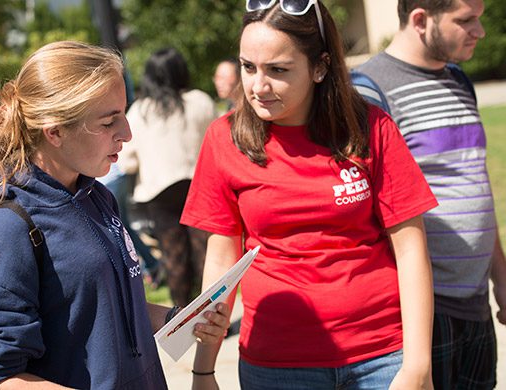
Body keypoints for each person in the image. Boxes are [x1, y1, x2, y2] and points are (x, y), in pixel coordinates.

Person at [181, 1, 438, 388]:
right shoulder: (224, 138)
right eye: (248, 67)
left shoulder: (369, 127)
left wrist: (418, 366)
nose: (257, 86)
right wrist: (204, 369)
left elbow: (411, 249)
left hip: (381, 356)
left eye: (278, 70)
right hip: (276, 364)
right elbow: (222, 260)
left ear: (320, 67)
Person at [0, 40, 230, 390]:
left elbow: (103, 308)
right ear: (54, 131)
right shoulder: (7, 226)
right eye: (109, 121)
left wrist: (178, 319)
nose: (127, 133)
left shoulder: (96, 197)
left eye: (124, 114)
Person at [353, 1, 506, 388]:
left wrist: (500, 275)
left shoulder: (459, 80)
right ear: (420, 20)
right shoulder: (368, 90)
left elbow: (474, 180)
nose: (480, 31)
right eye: (466, 20)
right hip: (423, 312)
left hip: (476, 306)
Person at [119, 47, 218, 307]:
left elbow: (127, 163)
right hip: (199, 186)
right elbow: (218, 143)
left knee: (174, 256)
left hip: (159, 193)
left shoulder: (140, 112)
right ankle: (216, 315)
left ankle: (181, 315)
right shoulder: (200, 101)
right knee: (205, 254)